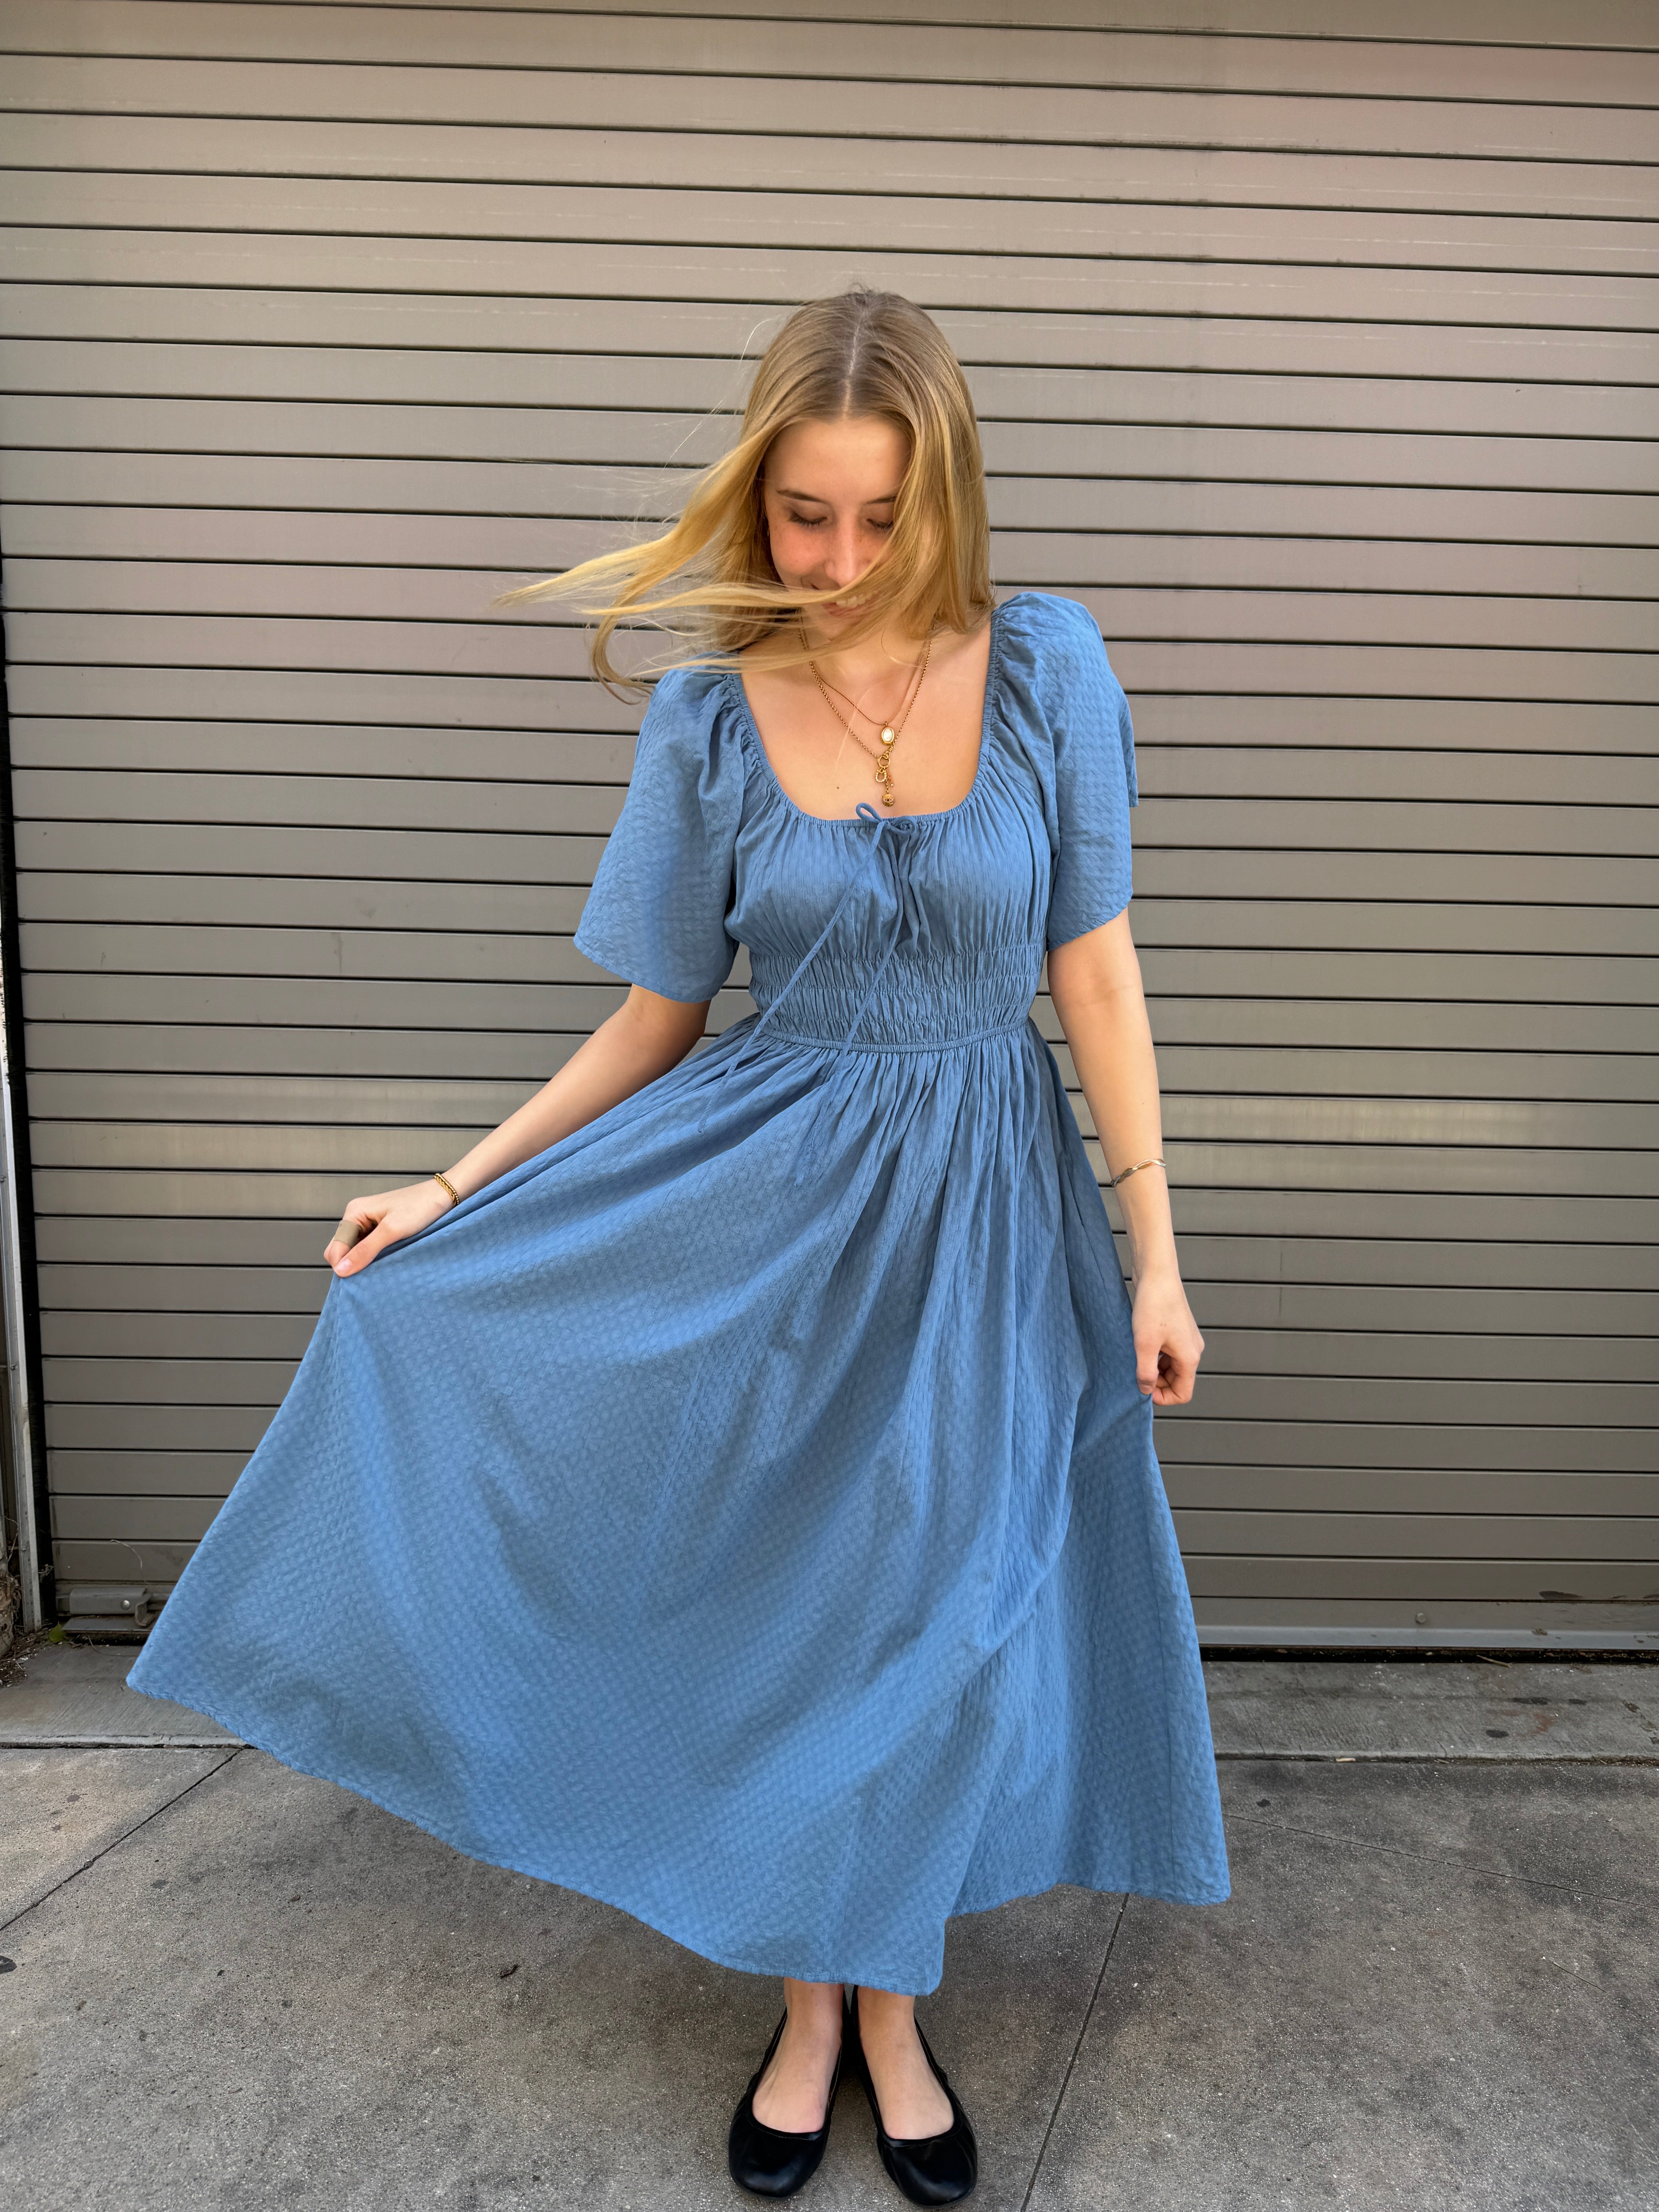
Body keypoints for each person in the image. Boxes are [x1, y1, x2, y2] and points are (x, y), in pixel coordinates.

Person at [130, 288, 1228, 2204]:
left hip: (987, 1220)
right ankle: (821, 2009)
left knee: (945, 1619)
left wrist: (1155, 1254)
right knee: (812, 1614)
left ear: (945, 495)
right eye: (806, 513)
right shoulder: (711, 713)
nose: (838, 559)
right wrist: (457, 1193)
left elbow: (1100, 980)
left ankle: (885, 2002)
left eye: (882, 517)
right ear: (761, 493)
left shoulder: (1049, 667)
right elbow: (654, 1018)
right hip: (771, 1221)